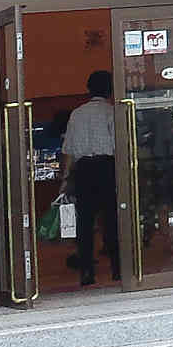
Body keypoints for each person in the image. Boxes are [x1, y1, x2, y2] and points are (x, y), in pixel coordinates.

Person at [58, 71, 119, 286]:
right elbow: (119, 145)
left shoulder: (77, 114)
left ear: (89, 89)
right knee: (112, 219)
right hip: (108, 168)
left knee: (84, 223)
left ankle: (86, 272)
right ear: (110, 89)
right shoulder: (112, 112)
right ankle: (118, 268)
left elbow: (69, 150)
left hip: (83, 170)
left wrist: (65, 179)